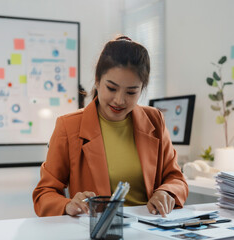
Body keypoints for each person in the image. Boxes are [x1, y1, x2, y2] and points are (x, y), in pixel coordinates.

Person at [33, 36, 188, 217]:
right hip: (99, 231)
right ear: (97, 80)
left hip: (149, 229)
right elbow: (44, 193)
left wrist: (166, 192)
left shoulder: (154, 119)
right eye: (112, 88)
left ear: (142, 89)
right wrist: (68, 204)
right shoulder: (69, 126)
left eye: (131, 92)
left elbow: (176, 178)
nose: (119, 100)